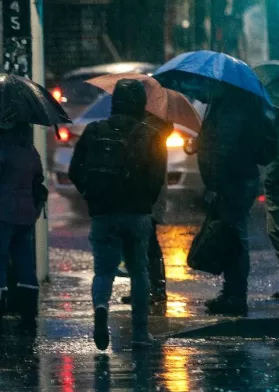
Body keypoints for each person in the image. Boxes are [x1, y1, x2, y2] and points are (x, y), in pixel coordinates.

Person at [69, 79, 165, 350]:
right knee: (139, 270)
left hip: (103, 213)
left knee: (103, 271)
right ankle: (140, 331)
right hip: (137, 213)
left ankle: (101, 309)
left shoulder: (94, 130)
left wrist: (92, 197)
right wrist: (145, 202)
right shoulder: (150, 134)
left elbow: (76, 170)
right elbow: (157, 177)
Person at [197, 89, 262, 315]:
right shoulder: (226, 103)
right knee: (231, 235)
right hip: (238, 179)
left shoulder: (230, 106)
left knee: (234, 237)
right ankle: (231, 293)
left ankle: (235, 297)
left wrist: (214, 184)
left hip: (234, 181)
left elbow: (224, 147)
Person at [121, 114, 173, 305]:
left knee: (148, 242)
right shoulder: (152, 130)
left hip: (148, 195)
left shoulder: (152, 132)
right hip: (147, 194)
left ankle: (156, 288)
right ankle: (148, 287)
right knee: (143, 241)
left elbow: (150, 168)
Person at [0, 123, 44, 332]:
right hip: (26, 214)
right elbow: (38, 178)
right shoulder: (30, 150)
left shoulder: (3, 147)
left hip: (3, 213)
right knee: (25, 262)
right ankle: (29, 317)